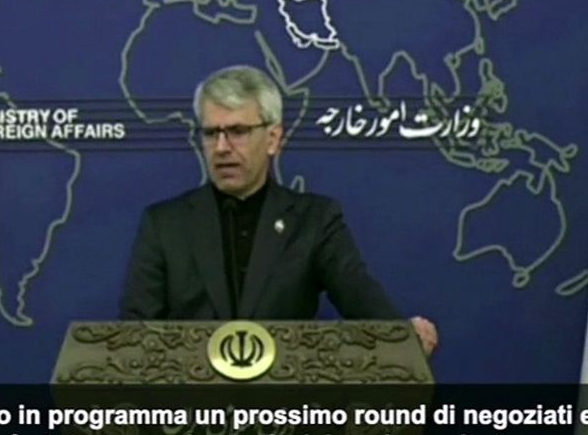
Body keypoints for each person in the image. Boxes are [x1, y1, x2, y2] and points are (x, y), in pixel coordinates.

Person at [120, 65, 438, 355]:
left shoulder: (315, 221)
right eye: (211, 133)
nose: (221, 147)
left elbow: (361, 300)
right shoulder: (164, 225)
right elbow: (133, 340)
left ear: (273, 139)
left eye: (238, 132)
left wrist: (403, 337)